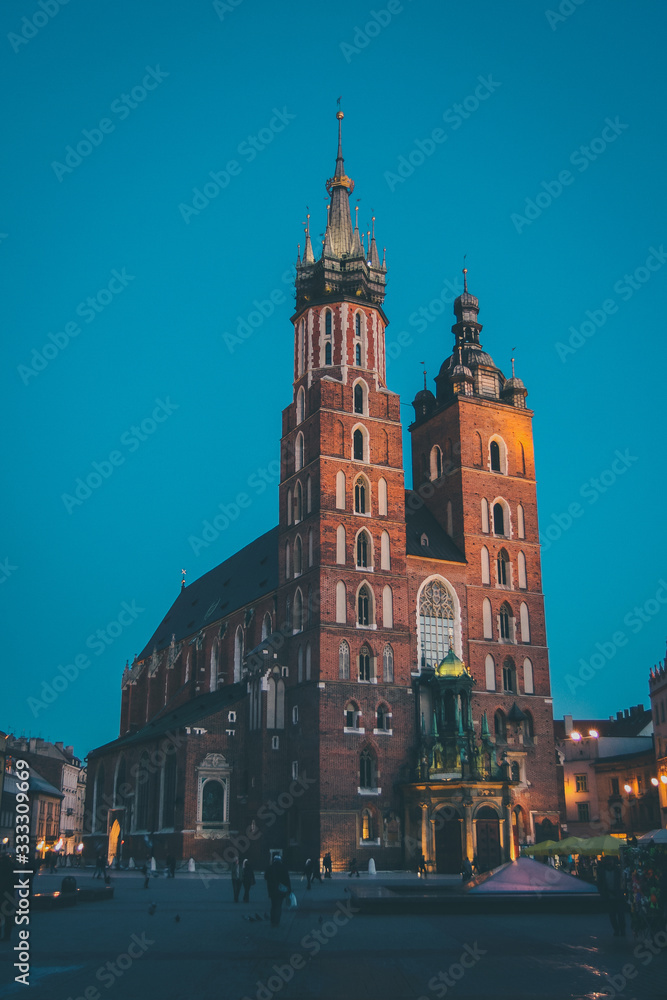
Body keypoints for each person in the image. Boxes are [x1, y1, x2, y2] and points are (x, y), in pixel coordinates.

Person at [597, 856, 626, 936]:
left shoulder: (618, 870)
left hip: (618, 896)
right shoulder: (602, 871)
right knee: (612, 915)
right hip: (608, 896)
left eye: (610, 860)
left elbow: (623, 882)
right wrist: (603, 893)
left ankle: (622, 930)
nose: (609, 862)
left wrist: (622, 891)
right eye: (607, 861)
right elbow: (599, 884)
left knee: (621, 915)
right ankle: (616, 930)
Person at [264, 855, 291, 927]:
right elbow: (287, 880)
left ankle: (272, 920)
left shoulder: (270, 868)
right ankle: (277, 921)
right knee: (279, 906)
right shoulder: (283, 868)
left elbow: (266, 877)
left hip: (272, 890)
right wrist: (289, 889)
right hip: (281, 890)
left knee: (273, 906)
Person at [0, 852, 16, 942]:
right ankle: (7, 936)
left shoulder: (1, 866)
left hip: (1, 893)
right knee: (8, 915)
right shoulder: (12, 866)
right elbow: (16, 880)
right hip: (9, 894)